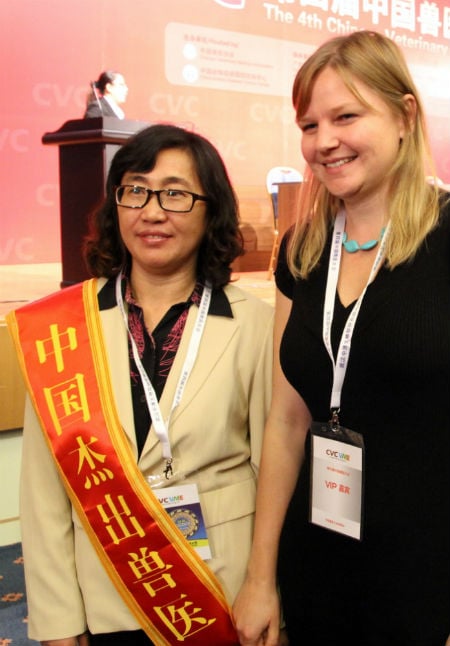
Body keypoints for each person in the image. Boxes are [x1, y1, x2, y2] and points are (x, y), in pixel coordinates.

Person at [8, 124, 274, 645]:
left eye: (175, 193)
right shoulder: (63, 328)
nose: (152, 212)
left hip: (219, 597)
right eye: (135, 190)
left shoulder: (255, 326)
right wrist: (58, 622)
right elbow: (43, 494)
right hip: (104, 595)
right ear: (115, 205)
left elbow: (274, 474)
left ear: (210, 208)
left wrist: (271, 595)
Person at [233, 30, 450, 646]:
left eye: (345, 116)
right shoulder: (301, 252)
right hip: (317, 559)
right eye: (309, 124)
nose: (322, 141)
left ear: (405, 115)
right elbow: (285, 421)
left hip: (428, 574)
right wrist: (260, 575)